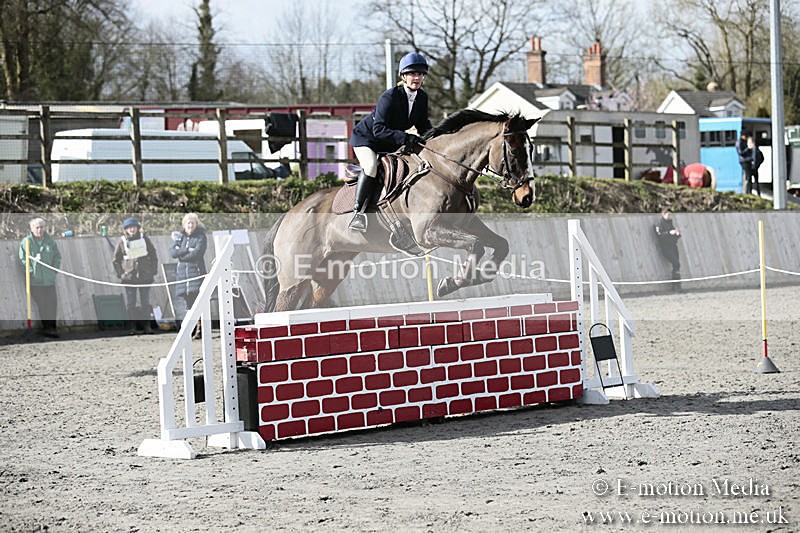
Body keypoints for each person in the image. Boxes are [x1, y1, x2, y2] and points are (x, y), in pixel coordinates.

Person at [348, 51, 434, 232]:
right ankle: (358, 214)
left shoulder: (422, 97)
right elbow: (379, 130)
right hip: (367, 139)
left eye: (420, 74)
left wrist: (434, 141)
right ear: (403, 76)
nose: (417, 77)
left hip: (389, 142)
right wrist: (406, 137)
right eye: (412, 73)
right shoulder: (390, 96)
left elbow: (423, 125)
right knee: (371, 166)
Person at [113, 217, 158, 334]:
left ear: (137, 228)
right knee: (131, 303)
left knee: (145, 302)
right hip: (129, 277)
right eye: (129, 228)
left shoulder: (145, 239)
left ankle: (147, 326)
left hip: (144, 276)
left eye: (134, 227)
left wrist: (152, 271)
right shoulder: (122, 241)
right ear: (126, 229)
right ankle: (131, 327)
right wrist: (121, 274)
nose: (132, 229)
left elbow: (153, 255)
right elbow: (116, 260)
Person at [18, 217, 62, 338]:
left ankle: (52, 328)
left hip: (49, 280)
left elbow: (57, 257)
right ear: (32, 229)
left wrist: (54, 270)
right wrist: (31, 272)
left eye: (42, 227)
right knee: (42, 305)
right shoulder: (26, 242)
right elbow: (22, 259)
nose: (40, 230)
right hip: (35, 282)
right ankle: (46, 328)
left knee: (52, 304)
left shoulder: (50, 242)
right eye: (37, 227)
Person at [168, 213, 207, 336]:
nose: (190, 225)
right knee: (188, 304)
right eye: (188, 223)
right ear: (184, 225)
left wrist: (182, 256)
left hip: (196, 272)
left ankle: (200, 328)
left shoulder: (201, 237)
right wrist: (186, 250)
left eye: (192, 223)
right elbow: (172, 252)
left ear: (196, 224)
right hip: (183, 276)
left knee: (198, 301)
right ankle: (191, 328)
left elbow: (197, 253)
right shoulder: (180, 237)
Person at [654, 208, 682, 291]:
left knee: (677, 265)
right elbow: (660, 235)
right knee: (676, 263)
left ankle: (677, 285)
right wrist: (669, 233)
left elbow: (674, 236)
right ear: (663, 214)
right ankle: (675, 285)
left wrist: (677, 234)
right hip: (666, 247)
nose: (670, 216)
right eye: (668, 214)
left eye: (670, 215)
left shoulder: (670, 223)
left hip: (673, 246)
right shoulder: (659, 224)